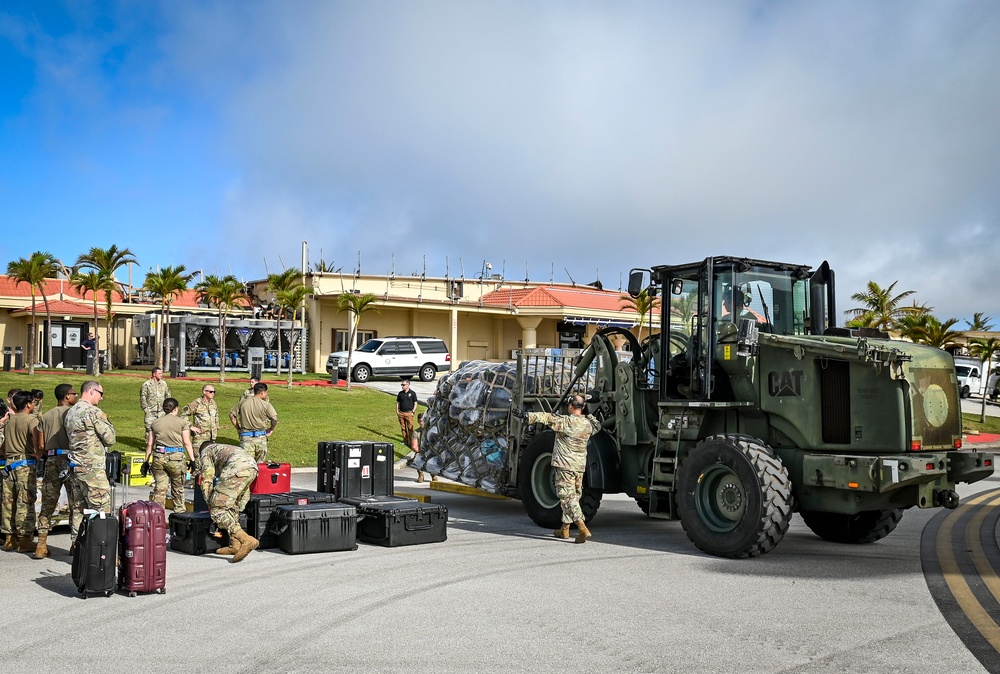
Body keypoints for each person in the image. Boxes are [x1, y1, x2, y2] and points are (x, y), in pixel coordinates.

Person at [522, 394, 600, 543]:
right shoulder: (587, 424)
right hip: (579, 467)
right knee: (574, 496)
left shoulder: (565, 422)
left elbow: (546, 417)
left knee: (566, 497)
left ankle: (582, 527)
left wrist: (527, 416)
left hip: (565, 466)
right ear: (582, 408)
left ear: (570, 406)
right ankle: (564, 529)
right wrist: (587, 412)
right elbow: (598, 426)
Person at [64, 380, 116, 553]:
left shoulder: (70, 412)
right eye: (101, 394)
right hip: (92, 468)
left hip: (75, 466)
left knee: (78, 508)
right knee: (101, 509)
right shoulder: (93, 412)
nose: (101, 398)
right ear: (92, 391)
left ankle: (77, 546)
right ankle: (101, 551)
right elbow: (110, 438)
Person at [34, 383, 79, 559]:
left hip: (52, 459)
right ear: (67, 396)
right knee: (75, 504)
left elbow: (41, 445)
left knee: (48, 503)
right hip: (70, 460)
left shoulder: (45, 416)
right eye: (74, 394)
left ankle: (41, 545)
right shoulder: (73, 414)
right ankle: (75, 544)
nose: (76, 397)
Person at [198, 441, 260, 563]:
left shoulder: (206, 452)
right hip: (252, 468)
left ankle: (246, 540)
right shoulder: (224, 448)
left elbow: (207, 477)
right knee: (233, 506)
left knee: (218, 509)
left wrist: (209, 501)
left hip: (237, 469)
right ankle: (235, 545)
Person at [1, 391, 41, 552]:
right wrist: (38, 451)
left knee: (8, 501)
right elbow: (37, 436)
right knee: (25, 501)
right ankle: (24, 539)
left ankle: (9, 538)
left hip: (8, 464)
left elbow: (2, 444)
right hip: (24, 464)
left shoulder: (8, 421)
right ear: (28, 404)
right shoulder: (31, 420)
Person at [145, 398, 196, 513]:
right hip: (176, 459)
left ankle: (157, 518)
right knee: (178, 488)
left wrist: (146, 461)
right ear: (176, 408)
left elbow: (150, 444)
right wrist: (192, 460)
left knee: (160, 488)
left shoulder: (155, 423)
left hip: (159, 457)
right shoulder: (182, 422)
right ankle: (180, 515)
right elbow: (187, 442)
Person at [229, 382, 278, 462]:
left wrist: (238, 428)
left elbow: (232, 415)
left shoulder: (242, 402)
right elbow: (274, 418)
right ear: (262, 393)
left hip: (246, 437)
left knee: (247, 464)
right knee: (260, 464)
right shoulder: (266, 404)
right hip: (261, 438)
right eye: (266, 393)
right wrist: (271, 429)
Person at [182, 384, 219, 452]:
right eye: (211, 392)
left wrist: (216, 425)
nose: (213, 393)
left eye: (214, 392)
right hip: (200, 437)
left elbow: (216, 415)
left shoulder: (213, 403)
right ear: (204, 392)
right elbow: (183, 414)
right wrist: (190, 426)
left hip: (212, 437)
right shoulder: (196, 403)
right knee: (198, 458)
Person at [139, 367, 171, 434]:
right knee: (149, 429)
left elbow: (168, 396)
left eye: (161, 373)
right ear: (154, 374)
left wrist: (168, 408)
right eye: (159, 373)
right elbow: (143, 397)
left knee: (161, 429)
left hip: (162, 411)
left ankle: (159, 443)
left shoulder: (164, 383)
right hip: (150, 411)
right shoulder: (146, 384)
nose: (161, 375)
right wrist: (146, 409)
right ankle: (149, 444)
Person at [396, 380, 419, 447]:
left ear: (408, 385)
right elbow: (398, 403)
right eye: (401, 385)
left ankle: (411, 442)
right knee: (403, 428)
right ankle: (405, 440)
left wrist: (413, 411)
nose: (402, 386)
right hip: (401, 413)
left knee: (410, 428)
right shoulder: (400, 393)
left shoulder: (412, 393)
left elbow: (415, 403)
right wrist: (397, 411)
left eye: (403, 385)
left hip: (409, 413)